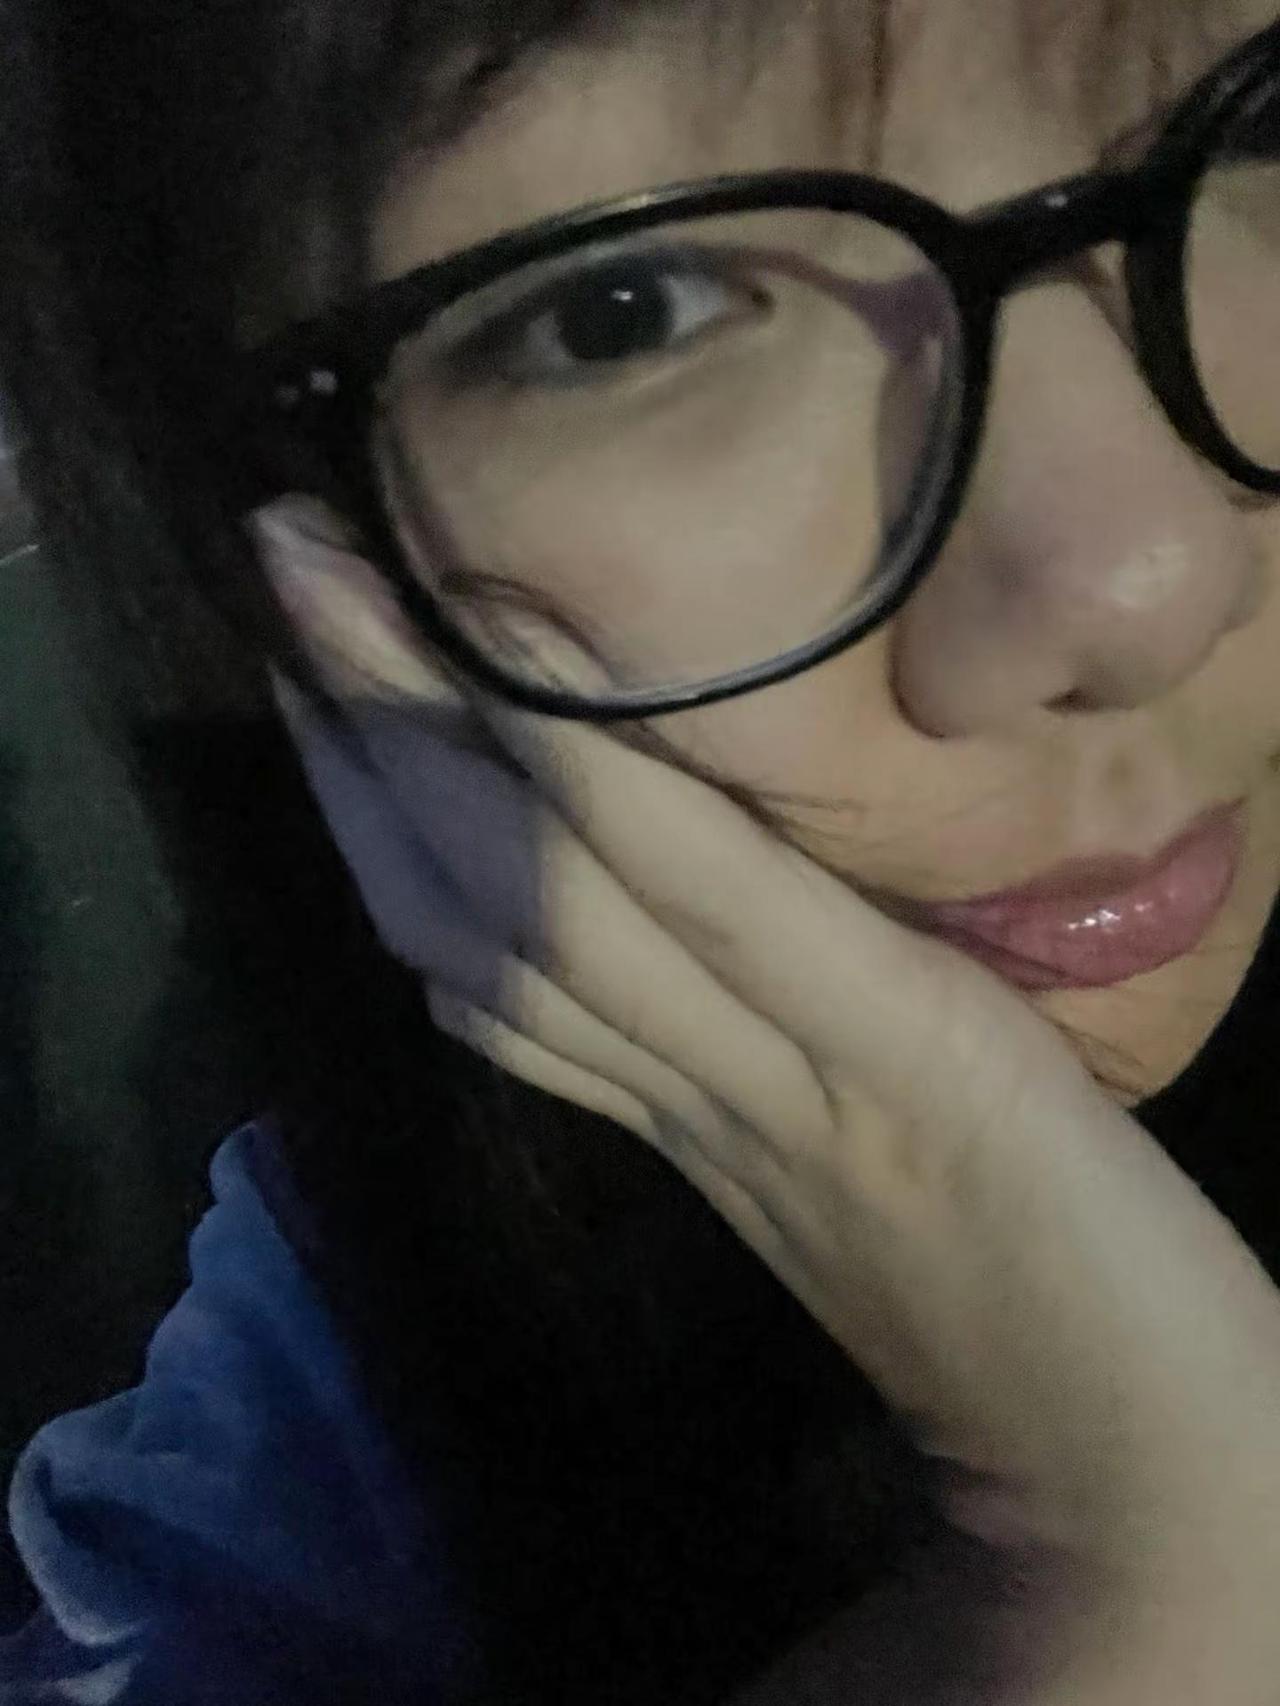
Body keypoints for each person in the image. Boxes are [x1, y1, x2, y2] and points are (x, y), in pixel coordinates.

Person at [1, 0, 1279, 1701]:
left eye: (1262, 122)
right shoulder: (337, 1426)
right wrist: (1136, 1581)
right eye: (625, 312)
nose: (1149, 583)